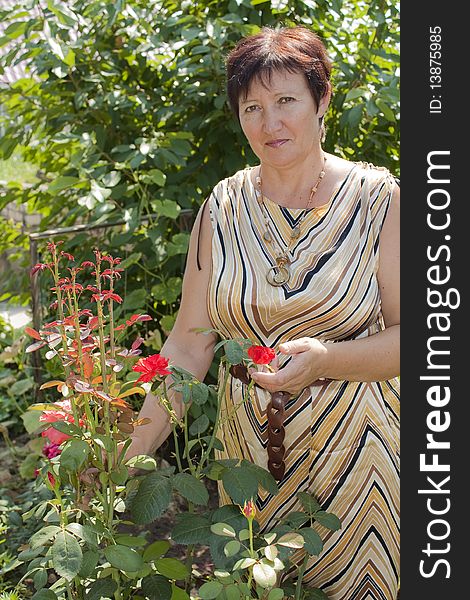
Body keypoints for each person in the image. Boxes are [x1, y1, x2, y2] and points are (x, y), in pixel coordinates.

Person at [130, 26, 400, 600]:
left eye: (286, 101)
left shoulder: (381, 201)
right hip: (246, 467)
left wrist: (328, 359)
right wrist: (126, 460)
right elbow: (187, 346)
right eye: (252, 107)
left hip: (358, 468)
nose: (269, 123)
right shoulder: (222, 207)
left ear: (322, 101)